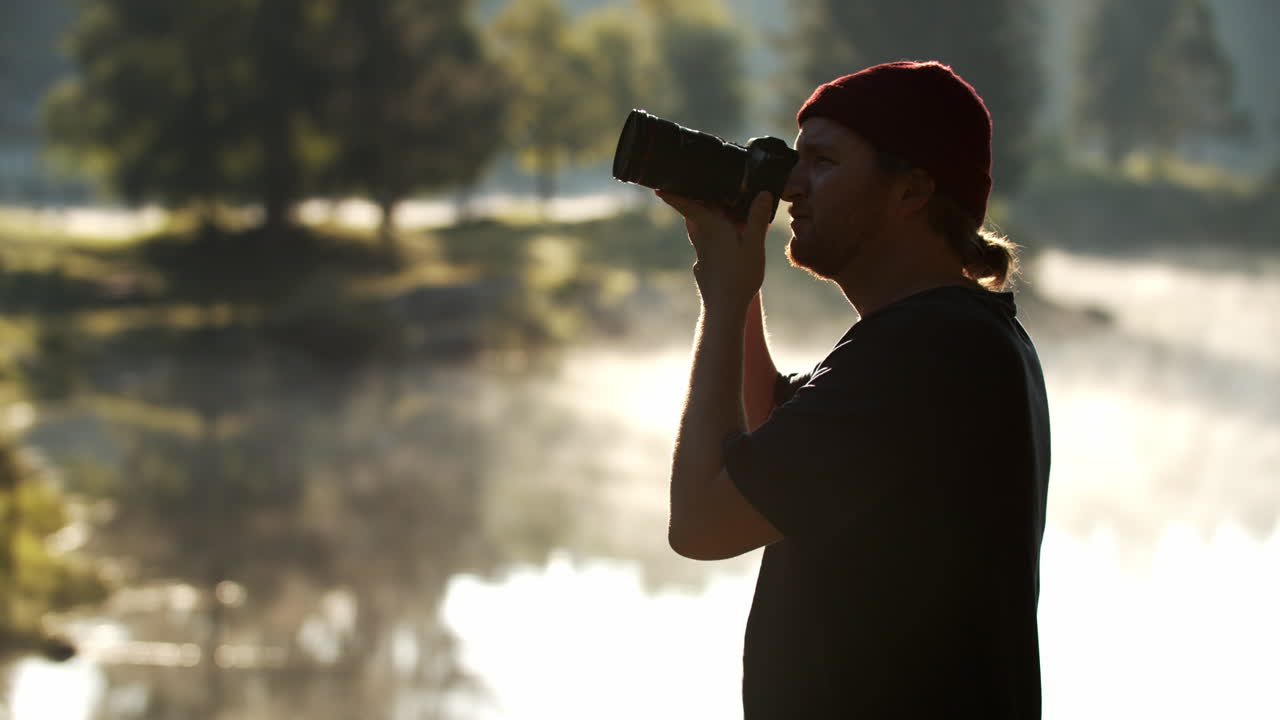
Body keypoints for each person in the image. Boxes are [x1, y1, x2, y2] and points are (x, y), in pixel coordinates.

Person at [656, 60, 1051, 718]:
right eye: (794, 161)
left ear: (911, 190)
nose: (791, 190)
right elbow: (767, 435)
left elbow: (702, 523)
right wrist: (734, 279)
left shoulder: (929, 352)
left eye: (823, 162)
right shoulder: (955, 338)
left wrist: (726, 302)